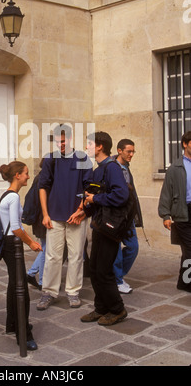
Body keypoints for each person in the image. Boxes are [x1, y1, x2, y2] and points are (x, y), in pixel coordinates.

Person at [37, 124, 93, 310]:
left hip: (77, 216)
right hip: (54, 214)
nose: (60, 145)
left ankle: (73, 291)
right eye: (57, 141)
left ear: (70, 139)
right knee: (52, 256)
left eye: (63, 141)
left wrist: (81, 210)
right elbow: (43, 187)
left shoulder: (82, 158)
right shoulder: (50, 159)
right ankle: (49, 292)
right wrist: (45, 214)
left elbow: (89, 188)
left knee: (77, 255)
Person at [80, 131, 129, 326]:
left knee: (104, 270)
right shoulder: (98, 169)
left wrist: (95, 198)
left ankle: (117, 309)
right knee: (94, 268)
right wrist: (85, 207)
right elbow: (97, 196)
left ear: (100, 146)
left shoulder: (112, 168)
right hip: (100, 225)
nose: (87, 147)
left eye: (89, 144)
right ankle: (101, 308)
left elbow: (121, 195)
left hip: (110, 227)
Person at [0, 161, 42, 351]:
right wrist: (31, 242)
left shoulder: (7, 195)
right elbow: (16, 227)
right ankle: (24, 335)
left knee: (13, 285)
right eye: (25, 173)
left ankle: (13, 324)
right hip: (13, 245)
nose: (28, 176)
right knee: (21, 290)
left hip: (8, 244)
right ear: (17, 175)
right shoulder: (13, 197)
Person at [158, 131, 191, 292]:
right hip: (182, 211)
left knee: (188, 251)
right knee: (189, 249)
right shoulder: (175, 168)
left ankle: (183, 282)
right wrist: (165, 215)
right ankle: (187, 281)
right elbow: (166, 193)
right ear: (185, 144)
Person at [112, 139, 143, 294]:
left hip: (128, 216)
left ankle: (116, 275)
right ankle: (117, 280)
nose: (131, 154)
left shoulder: (126, 167)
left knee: (133, 247)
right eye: (128, 151)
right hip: (116, 217)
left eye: (133, 152)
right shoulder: (111, 167)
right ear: (119, 150)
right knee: (116, 250)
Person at [25, 159, 47, 291]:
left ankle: (32, 273)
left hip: (40, 220)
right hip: (42, 219)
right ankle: (41, 280)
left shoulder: (40, 177)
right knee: (46, 249)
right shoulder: (43, 179)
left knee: (46, 248)